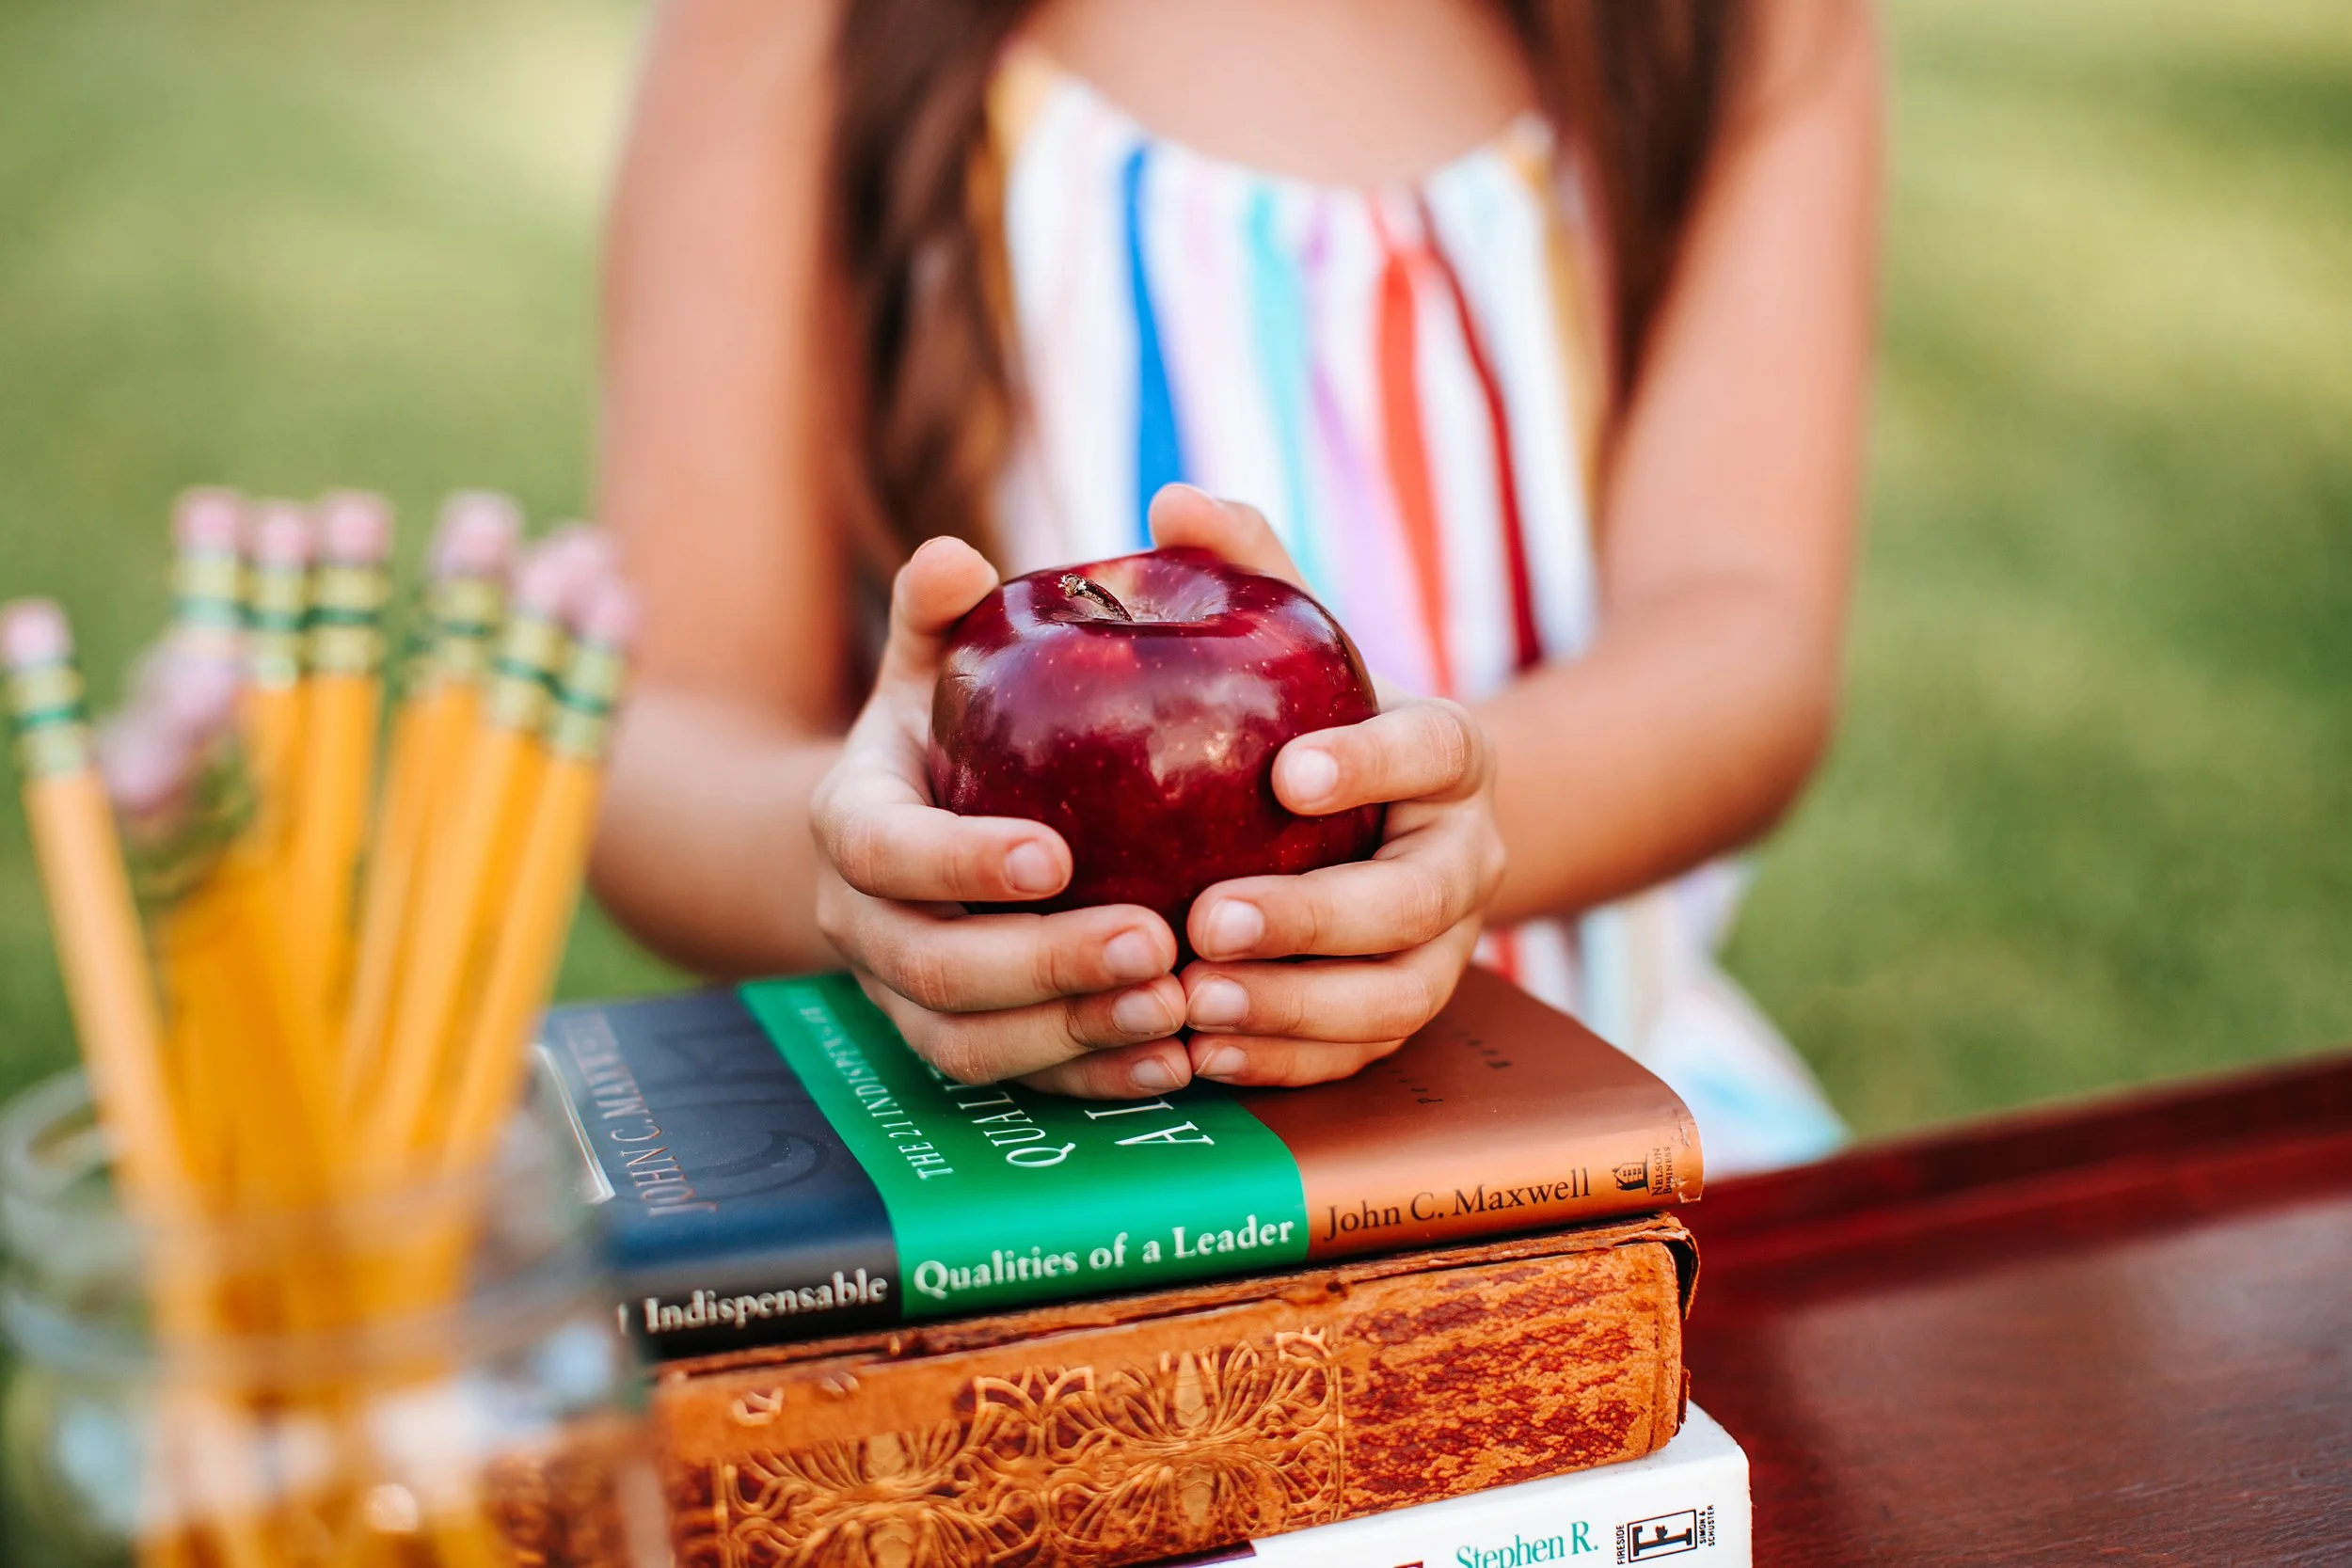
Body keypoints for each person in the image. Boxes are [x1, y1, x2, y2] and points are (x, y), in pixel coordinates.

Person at [591, 0, 1878, 1171]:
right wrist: (869, 868)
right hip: (1010, 1173)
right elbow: (659, 736)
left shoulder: (1740, 26)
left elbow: (1743, 632)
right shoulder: (784, 27)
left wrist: (1435, 831)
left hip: (1586, 1127)